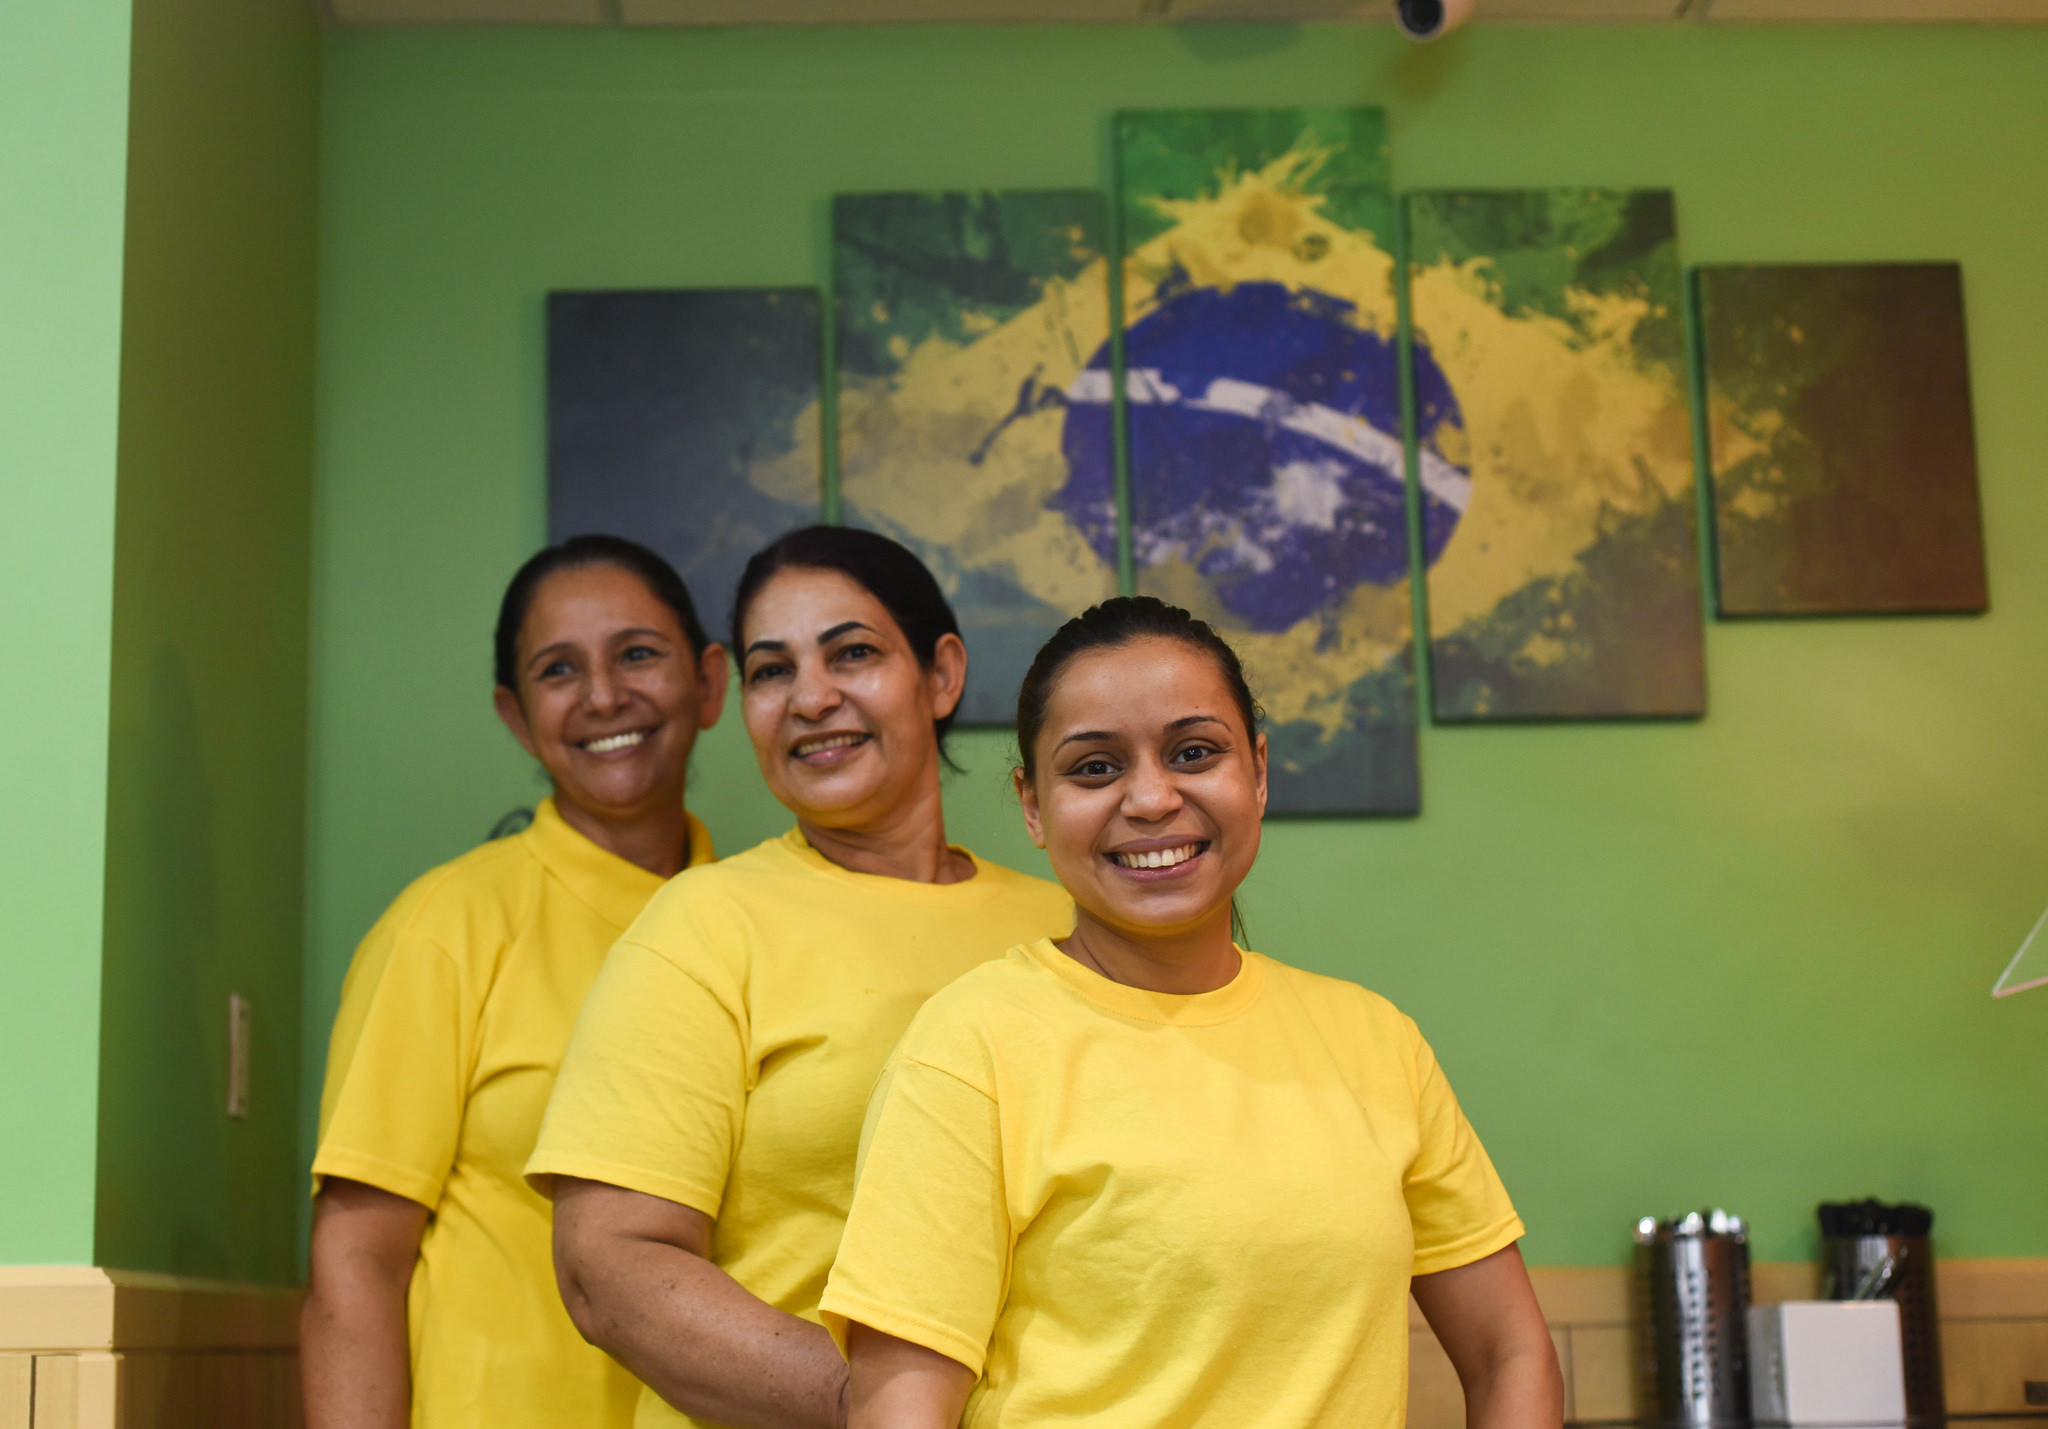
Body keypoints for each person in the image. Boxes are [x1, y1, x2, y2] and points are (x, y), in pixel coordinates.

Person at [821, 596, 1565, 1429]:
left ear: (1258, 770)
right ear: (1032, 806)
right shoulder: (970, 1049)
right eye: (1095, 767)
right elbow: (900, 1411)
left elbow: (1512, 1351)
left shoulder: (1375, 1041)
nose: (1150, 798)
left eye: (1194, 752)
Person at [526, 526, 1073, 1429]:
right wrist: (888, 1408)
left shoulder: (1063, 923)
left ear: (941, 673)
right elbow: (608, 1266)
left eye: (852, 652)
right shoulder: (704, 923)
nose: (812, 698)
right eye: (772, 671)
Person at [301, 534, 729, 1429]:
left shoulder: (760, 921)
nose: (604, 695)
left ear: (710, 681)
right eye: (558, 669)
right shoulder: (444, 925)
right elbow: (356, 1258)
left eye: (638, 654)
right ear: (516, 714)